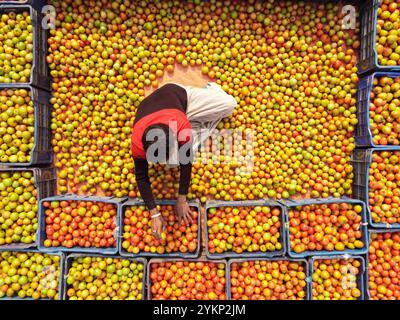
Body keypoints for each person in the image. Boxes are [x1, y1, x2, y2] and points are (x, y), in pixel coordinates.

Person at [131, 82, 237, 239]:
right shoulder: (137, 141)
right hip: (155, 111)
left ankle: (211, 90)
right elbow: (141, 176)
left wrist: (182, 199)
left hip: (180, 97)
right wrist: (154, 213)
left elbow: (186, 163)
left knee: (230, 105)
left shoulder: (180, 126)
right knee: (172, 163)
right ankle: (197, 121)